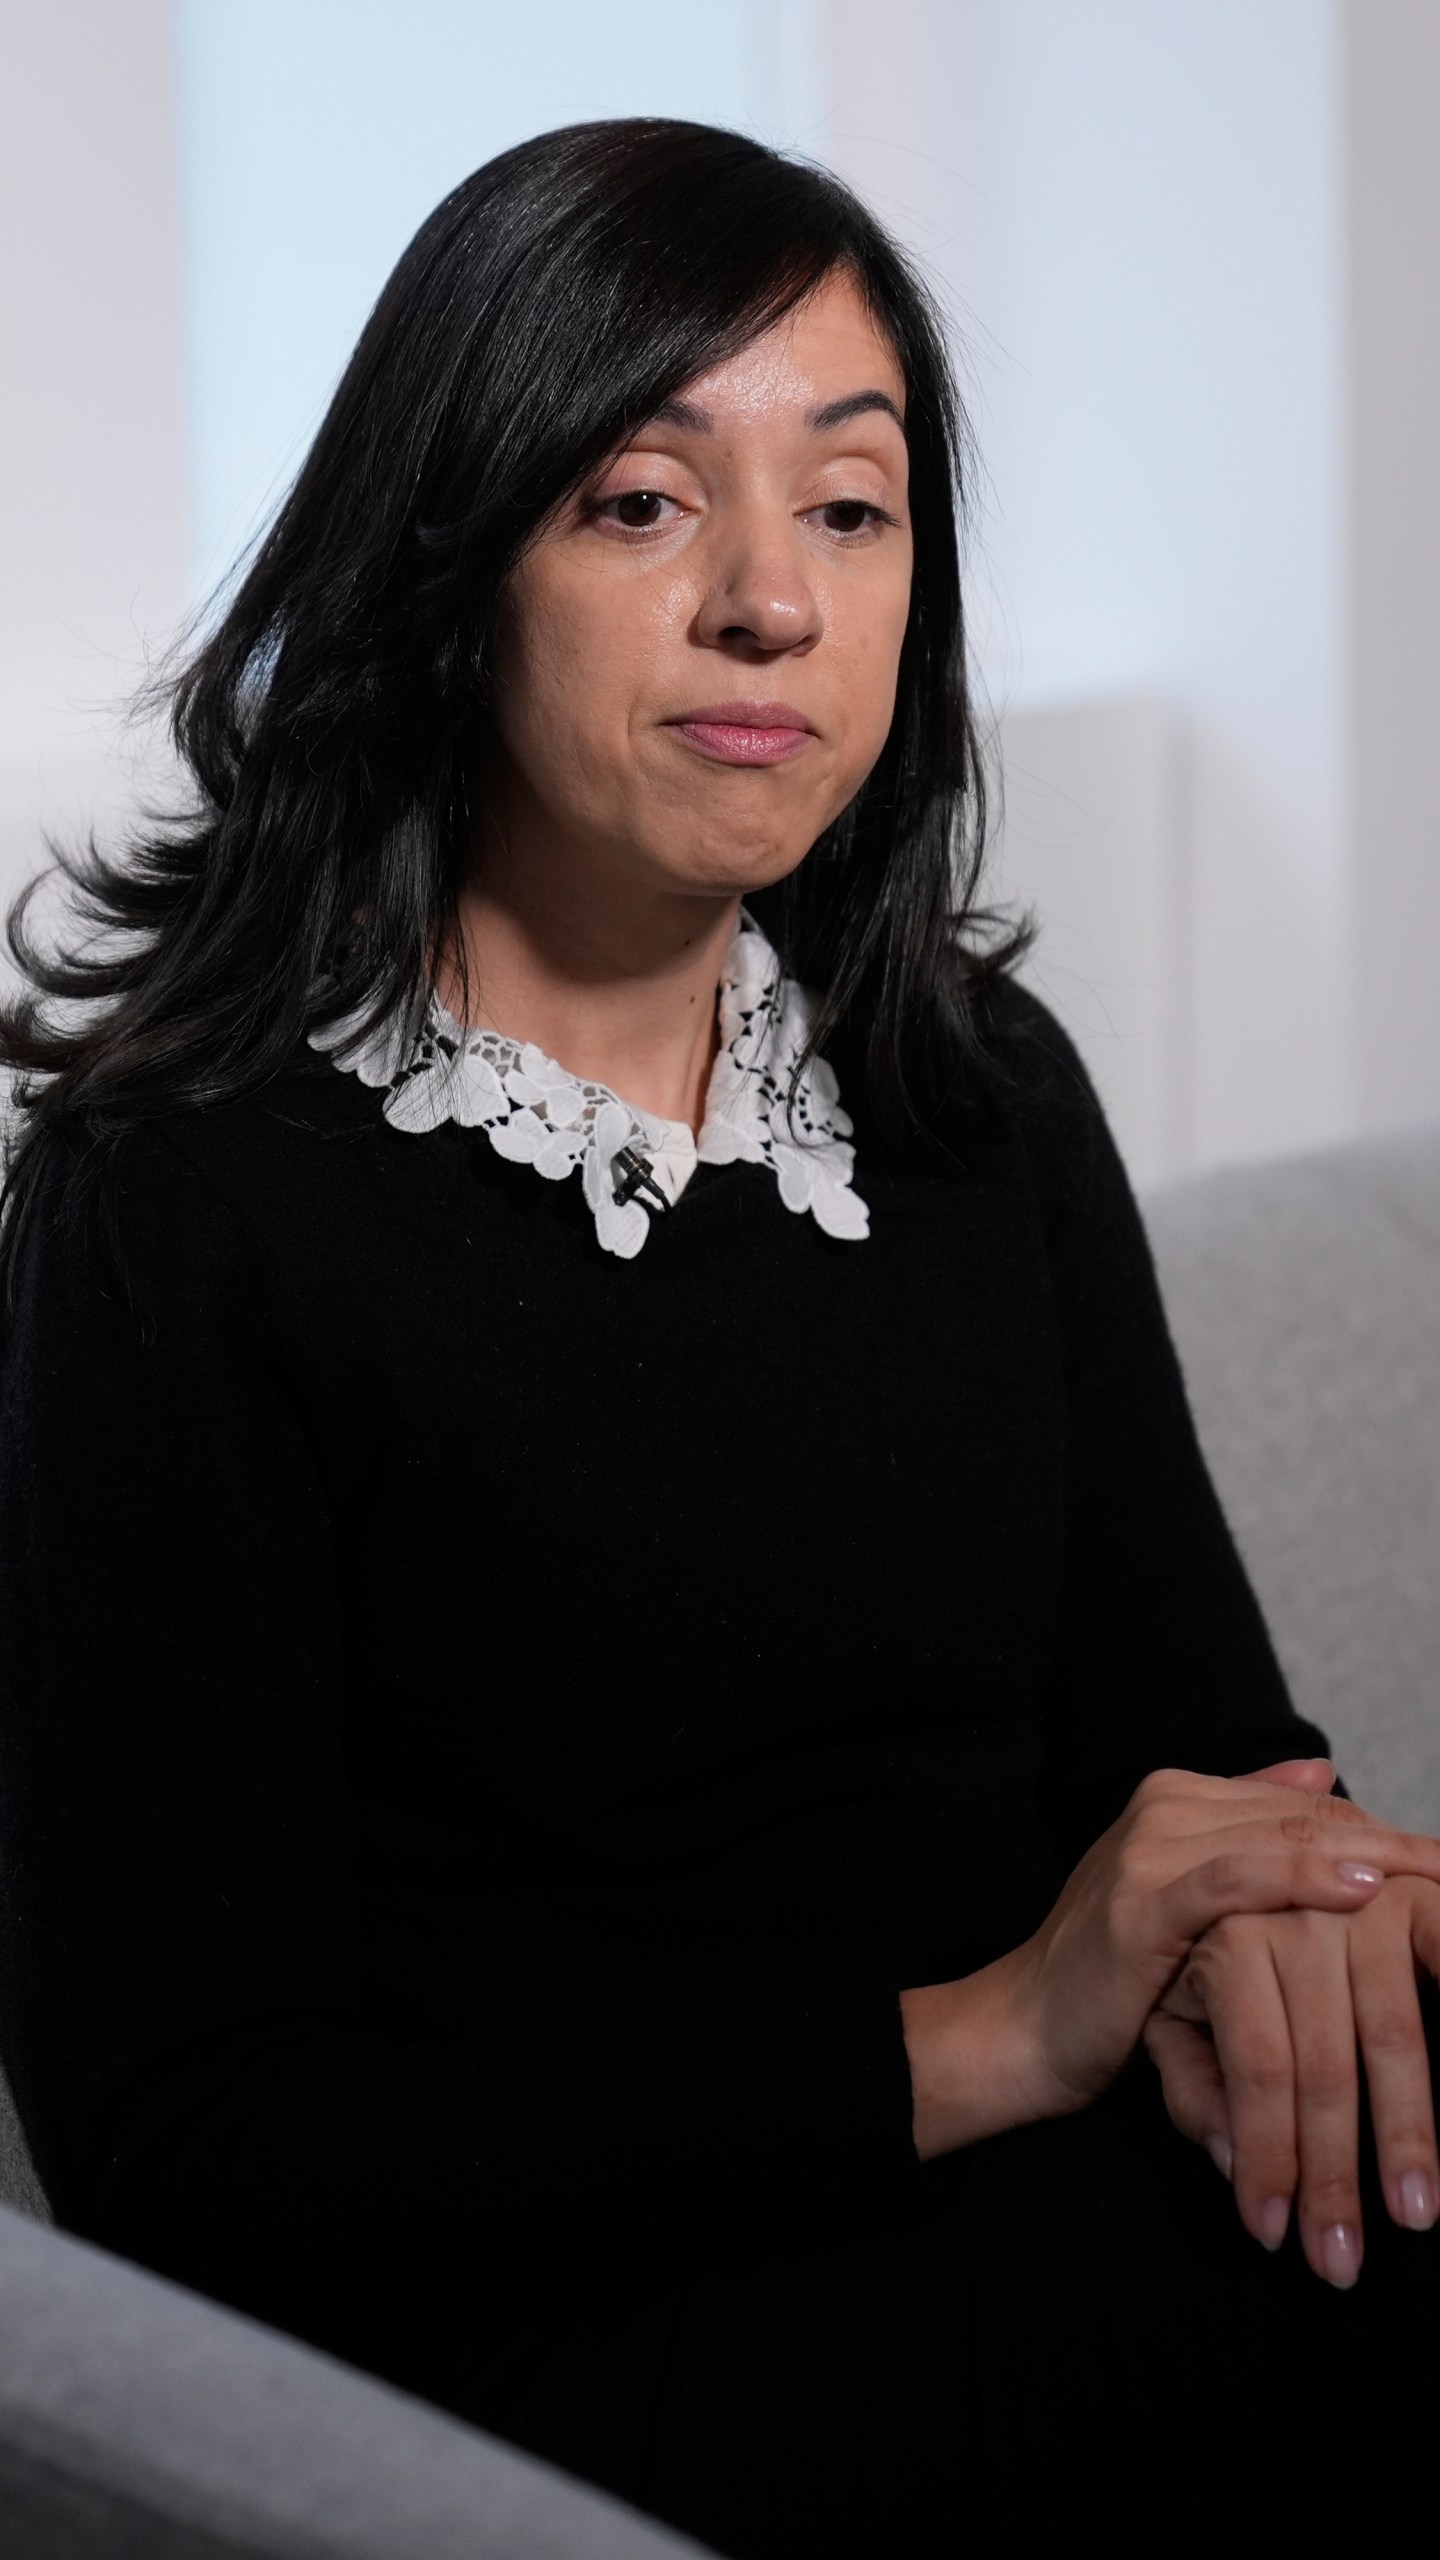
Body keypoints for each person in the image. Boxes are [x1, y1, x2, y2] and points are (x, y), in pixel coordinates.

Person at [1, 119, 1436, 2554]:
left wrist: (1316, 1918)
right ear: (445, 569)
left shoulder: (971, 1087)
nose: (774, 600)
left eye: (852, 508)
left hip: (1091, 2213)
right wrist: (989, 2035)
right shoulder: (183, 1207)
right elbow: (198, 2161)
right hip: (593, 2348)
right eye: (645, 500)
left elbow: (1204, 1749)